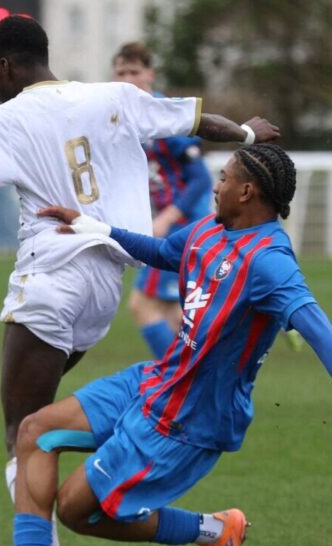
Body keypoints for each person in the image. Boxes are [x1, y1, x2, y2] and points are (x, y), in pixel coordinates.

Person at [0, 15, 280, 546]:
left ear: (4, 65)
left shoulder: (4, 118)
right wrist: (248, 137)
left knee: (22, 429)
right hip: (105, 283)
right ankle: (185, 526)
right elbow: (204, 124)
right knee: (39, 422)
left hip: (51, 275)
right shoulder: (117, 96)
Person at [0, 144, 332, 546]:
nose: (215, 186)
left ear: (247, 190)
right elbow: (162, 251)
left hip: (189, 420)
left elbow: (323, 333)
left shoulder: (270, 262)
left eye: (224, 178)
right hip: (154, 381)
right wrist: (93, 228)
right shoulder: (209, 230)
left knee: (77, 511)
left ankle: (215, 531)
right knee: (34, 431)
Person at [112, 42, 214, 359]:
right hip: (172, 228)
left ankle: (174, 381)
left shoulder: (163, 115)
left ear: (150, 74)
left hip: (182, 227)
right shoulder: (119, 119)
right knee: (172, 314)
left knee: (142, 305)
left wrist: (166, 218)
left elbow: (201, 179)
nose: (128, 79)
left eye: (135, 72)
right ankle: (188, 383)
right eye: (121, 73)